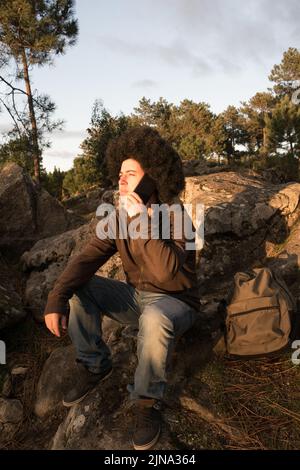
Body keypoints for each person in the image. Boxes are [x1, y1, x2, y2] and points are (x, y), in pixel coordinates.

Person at [44, 126, 201, 450]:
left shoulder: (176, 214)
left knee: (156, 317)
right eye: (120, 173)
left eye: (131, 173)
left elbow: (168, 274)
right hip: (138, 300)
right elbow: (86, 259)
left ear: (151, 176)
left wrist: (141, 219)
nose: (121, 179)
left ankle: (146, 405)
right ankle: (94, 364)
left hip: (176, 302)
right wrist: (56, 295)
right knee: (81, 285)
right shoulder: (117, 219)